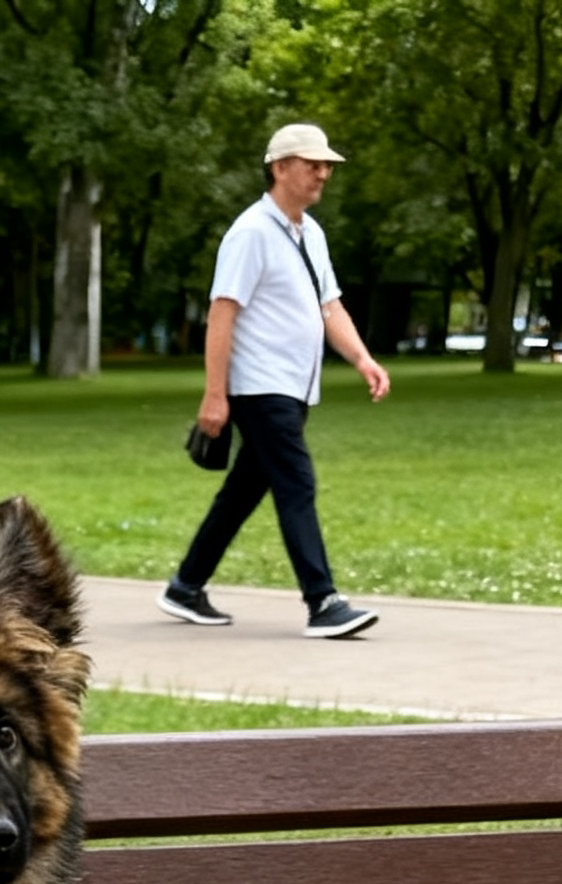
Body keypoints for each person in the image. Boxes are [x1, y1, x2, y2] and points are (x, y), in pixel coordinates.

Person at [160, 122, 388, 639]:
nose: (323, 173)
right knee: (297, 483)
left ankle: (185, 585)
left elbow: (329, 307)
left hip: (293, 386)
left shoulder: (310, 233)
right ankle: (323, 601)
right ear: (280, 167)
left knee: (243, 491)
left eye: (327, 165)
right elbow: (223, 313)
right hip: (261, 387)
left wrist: (363, 360)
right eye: (313, 164)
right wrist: (215, 394)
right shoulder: (251, 233)